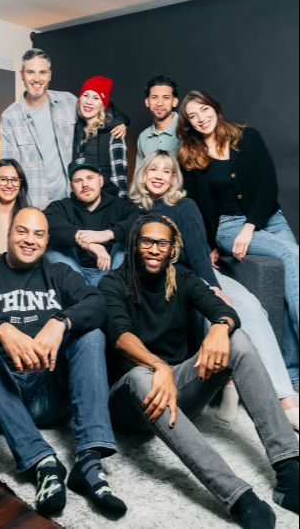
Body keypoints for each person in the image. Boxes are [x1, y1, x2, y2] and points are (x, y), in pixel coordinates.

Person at [101, 215, 299, 529]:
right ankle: (238, 497)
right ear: (135, 244)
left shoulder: (181, 277)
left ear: (171, 249)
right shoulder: (112, 283)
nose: (154, 249)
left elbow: (224, 310)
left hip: (178, 390)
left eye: (162, 243)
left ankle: (290, 471)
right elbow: (119, 335)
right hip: (131, 401)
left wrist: (219, 328)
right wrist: (157, 366)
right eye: (147, 241)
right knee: (141, 377)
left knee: (236, 339)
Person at [0, 207, 126, 518]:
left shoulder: (59, 273)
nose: (30, 240)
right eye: (22, 231)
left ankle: (89, 460)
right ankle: (41, 460)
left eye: (38, 234)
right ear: (9, 234)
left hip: (50, 391)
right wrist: (1, 329)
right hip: (2, 394)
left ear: (46, 240)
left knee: (91, 335)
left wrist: (60, 321)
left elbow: (97, 304)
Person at [129, 150, 299, 429]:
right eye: (153, 169)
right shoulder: (131, 209)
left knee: (249, 307)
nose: (159, 176)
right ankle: (229, 383)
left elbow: (198, 251)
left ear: (173, 179)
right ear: (142, 174)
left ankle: (285, 399)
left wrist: (213, 286)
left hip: (197, 273)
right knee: (208, 313)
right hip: (165, 281)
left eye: (166, 171)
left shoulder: (184, 206)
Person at [177, 90, 299, 386]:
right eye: (192, 116)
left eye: (204, 109)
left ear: (215, 108)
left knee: (288, 280)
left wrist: (251, 226)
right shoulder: (190, 157)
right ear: (188, 124)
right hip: (228, 227)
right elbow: (198, 207)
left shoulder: (248, 137)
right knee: (292, 254)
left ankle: (292, 370)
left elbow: (268, 185)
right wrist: (208, 245)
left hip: (269, 218)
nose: (200, 118)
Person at [0, 49, 127, 209]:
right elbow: (9, 170)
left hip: (72, 203)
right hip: (35, 204)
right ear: (22, 75)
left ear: (49, 75)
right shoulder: (10, 117)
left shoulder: (67, 101)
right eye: (31, 72)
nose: (37, 79)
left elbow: (95, 107)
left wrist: (119, 121)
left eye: (42, 72)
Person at [44, 159, 140, 286]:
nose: (85, 184)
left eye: (90, 178)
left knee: (125, 244)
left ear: (100, 181)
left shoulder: (119, 205)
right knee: (52, 247)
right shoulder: (61, 206)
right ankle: (81, 292)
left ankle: (111, 290)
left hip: (112, 272)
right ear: (71, 186)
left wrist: (107, 234)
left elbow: (140, 221)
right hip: (74, 274)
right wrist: (88, 243)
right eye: (78, 181)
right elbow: (45, 223)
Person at [73, 75, 128, 197]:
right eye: (85, 95)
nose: (89, 102)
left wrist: (121, 205)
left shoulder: (114, 133)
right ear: (79, 99)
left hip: (107, 203)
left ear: (103, 105)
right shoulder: (76, 130)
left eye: (96, 98)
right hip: (82, 202)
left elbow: (120, 179)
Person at [136, 75, 180, 170]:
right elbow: (139, 176)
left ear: (174, 102)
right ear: (147, 102)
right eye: (154, 97)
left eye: (166, 97)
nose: (159, 103)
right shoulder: (143, 137)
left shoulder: (187, 130)